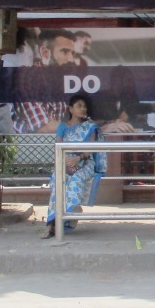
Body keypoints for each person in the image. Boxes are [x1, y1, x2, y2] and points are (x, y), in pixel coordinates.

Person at [42, 94, 105, 238]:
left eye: (84, 106)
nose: (83, 109)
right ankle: (51, 224)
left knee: (75, 179)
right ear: (71, 109)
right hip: (65, 162)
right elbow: (58, 147)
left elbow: (90, 150)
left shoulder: (90, 127)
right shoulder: (62, 127)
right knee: (58, 182)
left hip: (85, 164)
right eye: (79, 106)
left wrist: (78, 159)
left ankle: (67, 217)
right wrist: (67, 162)